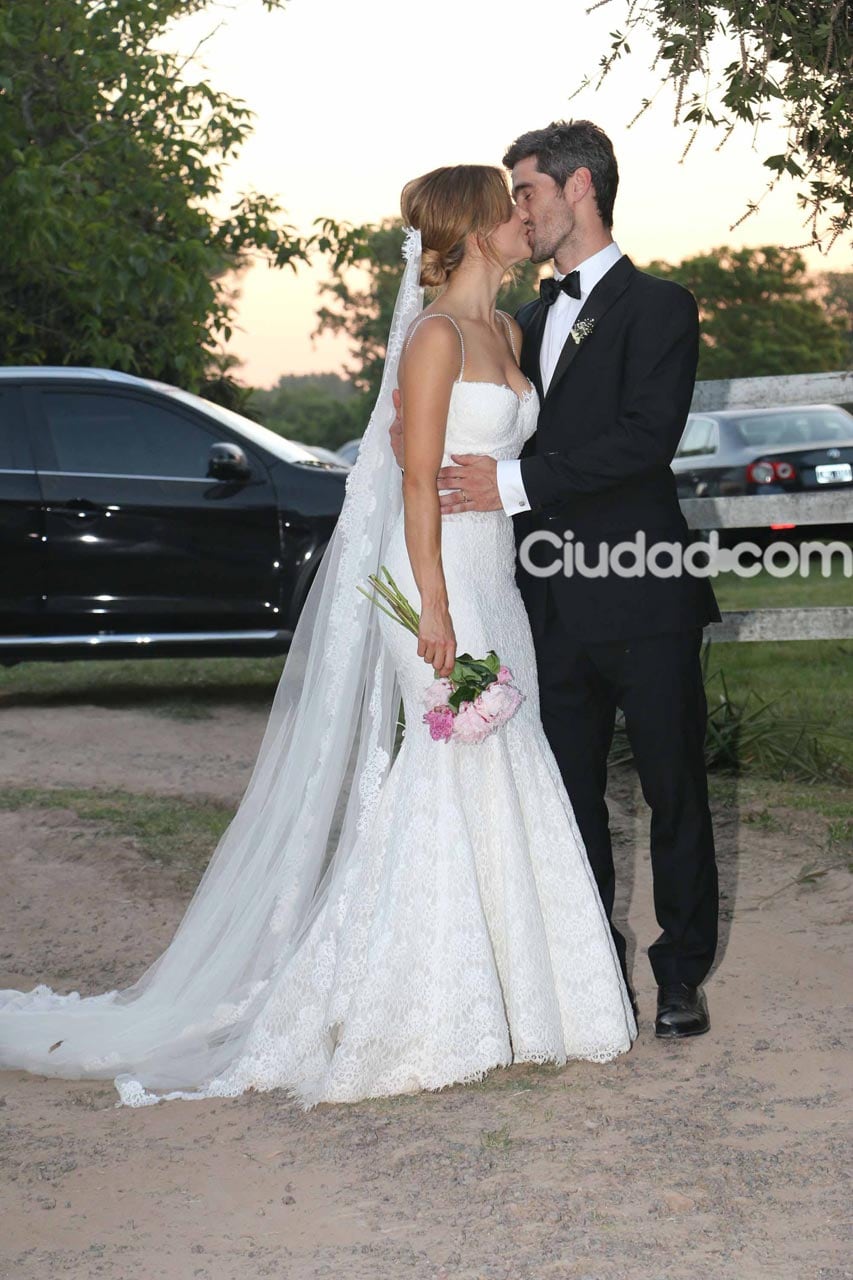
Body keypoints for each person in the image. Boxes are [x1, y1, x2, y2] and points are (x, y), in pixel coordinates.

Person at [0, 163, 637, 1110]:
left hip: (492, 574)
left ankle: (520, 997)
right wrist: (431, 603)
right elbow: (415, 479)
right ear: (469, 228)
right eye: (504, 204)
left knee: (506, 769)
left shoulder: (505, 329)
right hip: (435, 579)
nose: (520, 215)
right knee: (443, 776)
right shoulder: (430, 339)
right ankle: (419, 1004)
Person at [391, 121, 721, 1040]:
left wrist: (513, 483)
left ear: (578, 187)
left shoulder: (661, 306)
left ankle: (682, 972)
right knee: (564, 793)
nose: (516, 208)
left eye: (525, 189)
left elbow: (643, 440)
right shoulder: (514, 321)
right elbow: (450, 426)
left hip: (642, 587)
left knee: (673, 788)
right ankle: (590, 970)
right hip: (539, 603)